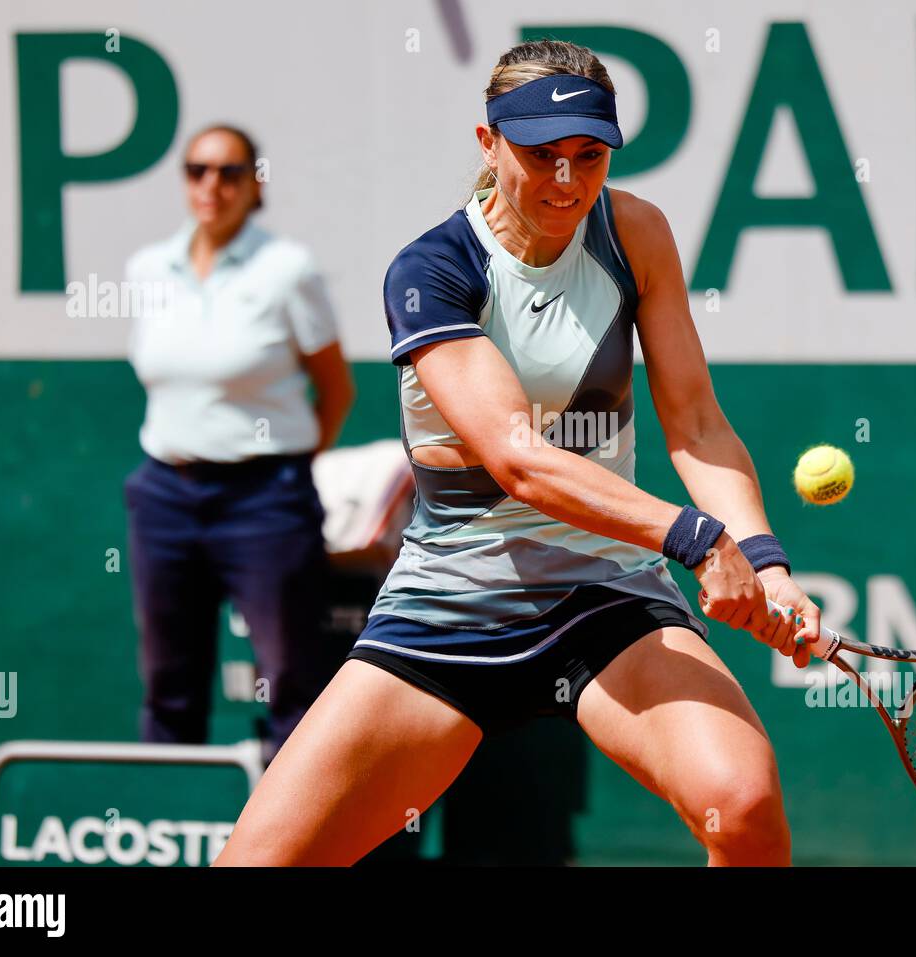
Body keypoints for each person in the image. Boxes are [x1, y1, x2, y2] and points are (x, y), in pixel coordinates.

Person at [215, 40, 820, 867]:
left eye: (589, 155)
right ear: (487, 142)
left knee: (743, 808)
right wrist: (697, 538)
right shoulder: (432, 271)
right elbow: (518, 459)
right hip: (448, 608)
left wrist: (764, 558)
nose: (567, 181)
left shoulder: (635, 234)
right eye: (541, 155)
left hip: (608, 598)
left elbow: (697, 421)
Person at [123, 124, 355, 764]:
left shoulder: (288, 271)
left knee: (293, 681)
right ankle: (166, 836)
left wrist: (289, 469)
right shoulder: (148, 269)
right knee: (169, 682)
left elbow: (335, 390)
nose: (211, 185)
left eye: (228, 172)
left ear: (254, 185)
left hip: (266, 500)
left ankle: (297, 852)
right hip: (164, 496)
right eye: (198, 170)